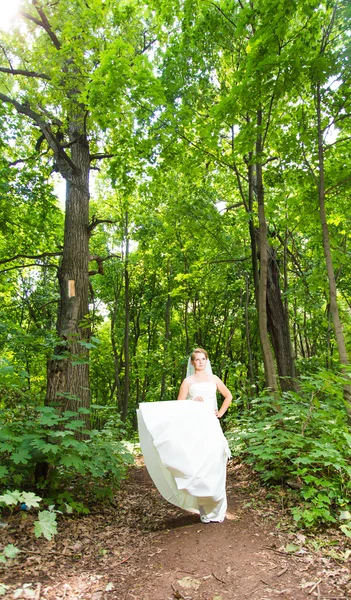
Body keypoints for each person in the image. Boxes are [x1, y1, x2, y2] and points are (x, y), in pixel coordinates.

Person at [137, 348, 232, 524]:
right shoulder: (188, 382)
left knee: (217, 461)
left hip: (212, 424)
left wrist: (220, 412)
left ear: (207, 360)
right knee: (201, 465)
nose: (201, 362)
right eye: (197, 359)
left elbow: (228, 396)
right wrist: (191, 402)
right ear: (192, 362)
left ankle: (218, 508)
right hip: (196, 427)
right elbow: (179, 406)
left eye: (203, 359)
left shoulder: (214, 379)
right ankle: (205, 509)